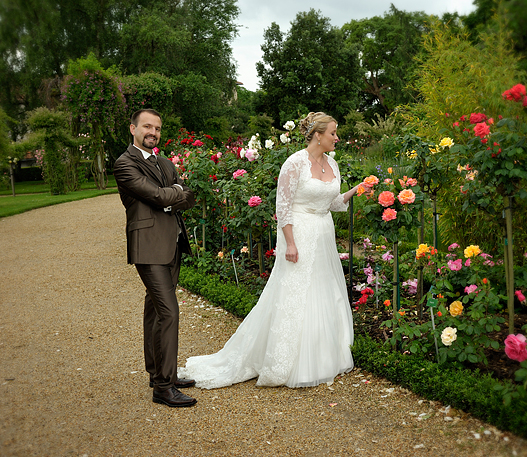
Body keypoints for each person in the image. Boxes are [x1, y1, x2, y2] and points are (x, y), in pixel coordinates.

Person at [178, 112, 369, 389]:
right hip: (299, 234)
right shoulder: (294, 163)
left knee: (323, 290)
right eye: (333, 133)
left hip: (324, 235)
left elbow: (334, 202)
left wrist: (359, 189)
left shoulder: (333, 164)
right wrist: (290, 243)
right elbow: (283, 207)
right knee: (295, 294)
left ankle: (325, 356)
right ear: (317, 135)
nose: (336, 138)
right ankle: (286, 361)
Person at [113, 109, 198, 407]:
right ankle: (163, 388)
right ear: (133, 128)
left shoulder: (163, 162)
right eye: (147, 126)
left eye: (158, 128)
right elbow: (159, 197)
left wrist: (170, 193)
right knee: (169, 312)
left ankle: (160, 373)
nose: (153, 132)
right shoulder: (124, 164)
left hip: (172, 243)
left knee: (155, 311)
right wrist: (171, 193)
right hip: (148, 246)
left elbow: (187, 197)